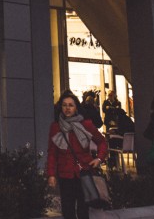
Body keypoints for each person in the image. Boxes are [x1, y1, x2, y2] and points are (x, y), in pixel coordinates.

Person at [46, 90, 108, 219]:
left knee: (83, 210)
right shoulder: (56, 127)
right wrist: (51, 174)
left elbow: (102, 142)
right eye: (64, 105)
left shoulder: (86, 125)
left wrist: (99, 158)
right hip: (65, 174)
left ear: (76, 108)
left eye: (71, 105)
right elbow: (52, 152)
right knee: (67, 210)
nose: (67, 108)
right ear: (60, 107)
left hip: (84, 172)